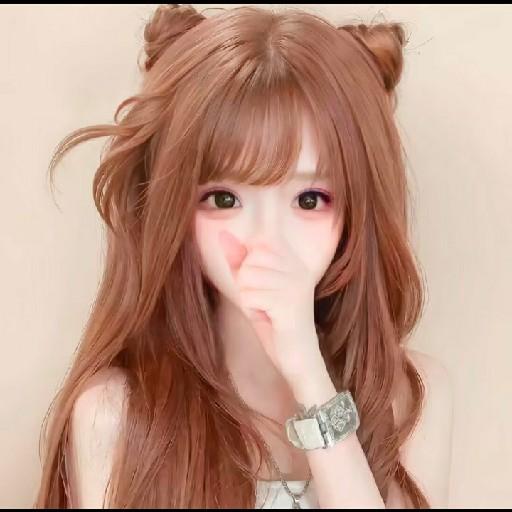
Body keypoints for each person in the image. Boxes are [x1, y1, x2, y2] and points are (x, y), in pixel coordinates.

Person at [34, 4, 454, 509]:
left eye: (309, 199)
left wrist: (309, 376)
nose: (266, 237)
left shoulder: (409, 398)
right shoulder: (115, 415)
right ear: (175, 209)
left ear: (356, 213)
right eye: (224, 199)